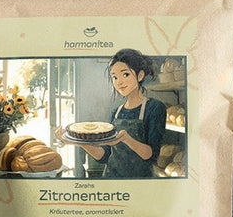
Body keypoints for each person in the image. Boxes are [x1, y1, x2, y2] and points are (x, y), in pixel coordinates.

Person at [60, 48, 167, 179]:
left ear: (140, 75)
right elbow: (104, 156)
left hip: (139, 181)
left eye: (125, 74)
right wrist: (77, 142)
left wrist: (127, 139)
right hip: (111, 179)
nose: (119, 82)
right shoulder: (116, 113)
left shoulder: (155, 108)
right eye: (115, 77)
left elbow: (151, 155)